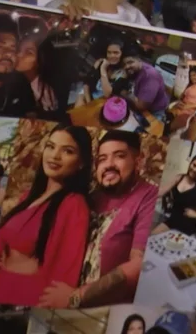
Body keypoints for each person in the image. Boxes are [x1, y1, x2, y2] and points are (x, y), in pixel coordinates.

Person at [38, 130, 157, 308]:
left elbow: (141, 263)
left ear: (138, 160)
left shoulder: (149, 197)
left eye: (119, 156)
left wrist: (77, 296)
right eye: (102, 159)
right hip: (57, 298)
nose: (108, 165)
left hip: (105, 310)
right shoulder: (89, 197)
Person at [0, 126, 93, 306]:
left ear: (81, 162)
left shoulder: (74, 204)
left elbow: (65, 272)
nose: (54, 156)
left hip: (27, 295)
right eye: (50, 146)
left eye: (67, 151)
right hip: (0, 284)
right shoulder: (28, 196)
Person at [153, 153, 196, 237]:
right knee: (153, 236)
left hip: (188, 226)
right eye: (194, 165)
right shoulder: (179, 177)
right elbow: (162, 191)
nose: (194, 169)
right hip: (172, 221)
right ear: (190, 163)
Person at [119, 50, 171, 119]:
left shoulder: (149, 75)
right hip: (142, 102)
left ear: (139, 60)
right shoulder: (137, 69)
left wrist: (125, 94)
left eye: (130, 62)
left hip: (155, 112)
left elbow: (141, 106)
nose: (126, 67)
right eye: (124, 65)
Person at [77, 40, 126, 106]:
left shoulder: (123, 73)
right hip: (91, 97)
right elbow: (86, 83)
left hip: (108, 102)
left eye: (116, 53)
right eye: (109, 52)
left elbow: (107, 94)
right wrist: (89, 103)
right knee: (80, 100)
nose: (112, 56)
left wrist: (103, 70)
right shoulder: (99, 63)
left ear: (122, 54)